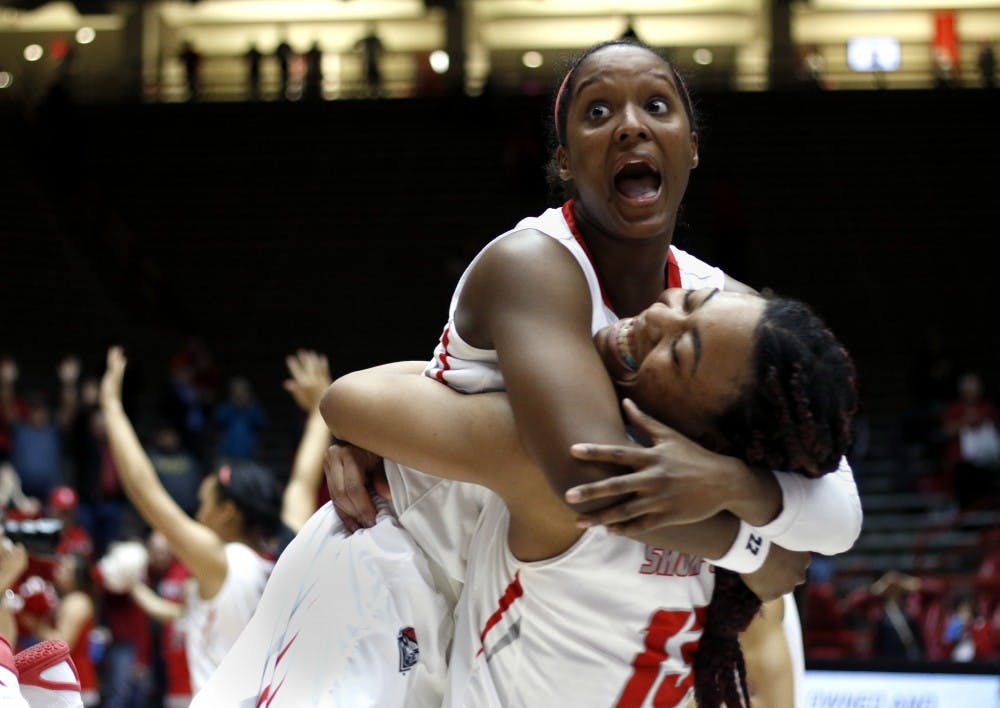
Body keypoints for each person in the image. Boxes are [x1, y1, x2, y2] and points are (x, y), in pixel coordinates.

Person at [323, 287, 857, 707]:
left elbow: (349, 399)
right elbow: (809, 539)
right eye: (689, 301)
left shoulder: (562, 468)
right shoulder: (753, 544)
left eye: (679, 353)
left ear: (713, 441)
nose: (659, 318)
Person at [99, 347, 283, 693]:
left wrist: (111, 404)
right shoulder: (269, 558)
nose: (197, 514)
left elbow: (144, 489)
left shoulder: (225, 560)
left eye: (205, 503)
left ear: (229, 513)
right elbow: (301, 484)